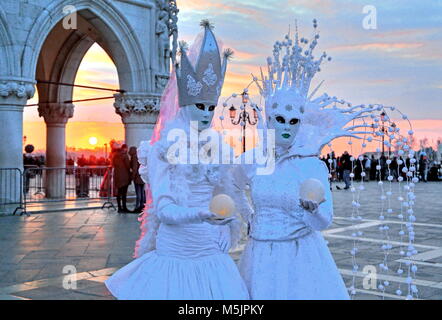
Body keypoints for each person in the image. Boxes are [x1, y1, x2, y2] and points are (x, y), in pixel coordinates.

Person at [105, 20, 249, 300]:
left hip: (210, 250)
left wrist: (229, 224)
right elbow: (165, 208)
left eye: (211, 107)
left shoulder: (217, 148)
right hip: (177, 250)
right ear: (184, 104)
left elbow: (226, 193)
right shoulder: (163, 150)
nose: (207, 114)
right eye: (200, 106)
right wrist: (200, 214)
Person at [232, 22, 357, 300]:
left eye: (293, 121)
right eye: (280, 120)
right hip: (260, 255)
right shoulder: (252, 159)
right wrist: (250, 218)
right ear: (268, 120)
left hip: (301, 257)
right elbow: (234, 186)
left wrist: (311, 211)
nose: (286, 127)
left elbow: (325, 221)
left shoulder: (311, 165)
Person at [112, 144, 131, 213]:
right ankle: (124, 207)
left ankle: (119, 208)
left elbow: (113, 164)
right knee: (124, 193)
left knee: (119, 193)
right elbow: (128, 166)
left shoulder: (114, 156)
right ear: (125, 148)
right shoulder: (124, 156)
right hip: (124, 176)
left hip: (117, 176)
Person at [129, 146, 145, 213]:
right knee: (142, 192)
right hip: (142, 177)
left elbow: (135, 168)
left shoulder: (135, 157)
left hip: (137, 177)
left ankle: (137, 207)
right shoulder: (141, 156)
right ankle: (142, 206)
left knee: (138, 193)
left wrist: (132, 177)